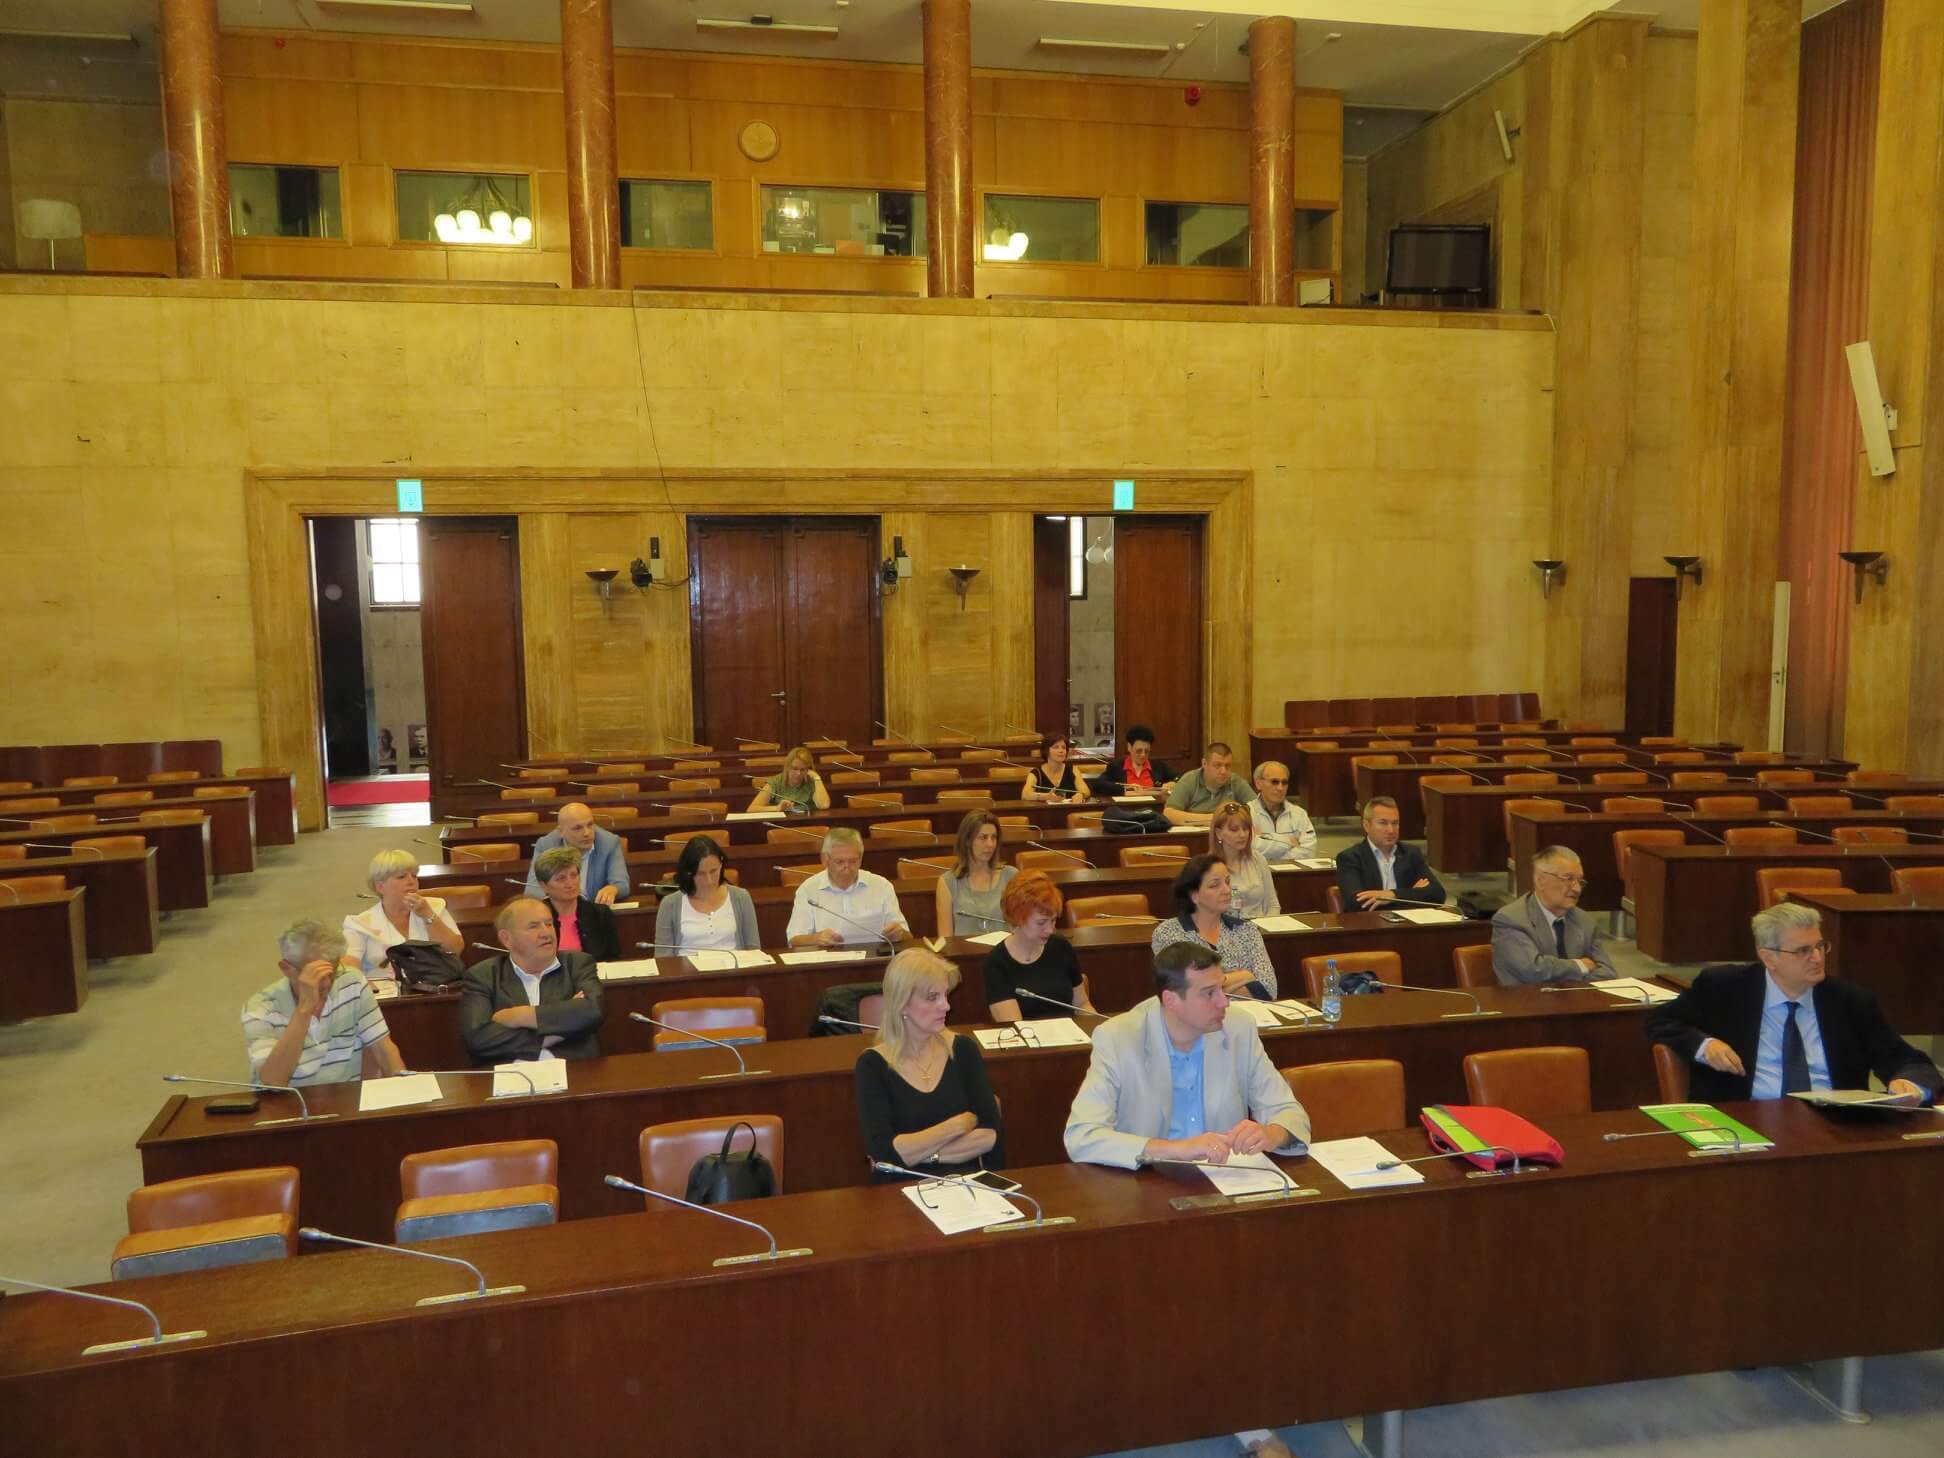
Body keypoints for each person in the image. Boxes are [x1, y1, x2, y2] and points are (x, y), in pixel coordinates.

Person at [1647, 902, 1940, 1104]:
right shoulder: (1724, 988)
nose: (1817, 958)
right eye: (1803, 950)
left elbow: (1909, 1061)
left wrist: (1910, 1084)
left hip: (1833, 1127)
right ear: (1768, 957)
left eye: (1820, 946)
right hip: (1747, 1120)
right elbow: (1659, 1021)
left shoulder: (1849, 1001)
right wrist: (1705, 1045)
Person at [1064, 942, 1311, 1168]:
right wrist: (1176, 1150)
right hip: (1148, 1179)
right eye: (1209, 993)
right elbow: (1082, 1136)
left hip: (1224, 1176)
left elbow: (1288, 1111)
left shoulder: (1238, 1027)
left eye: (1222, 988)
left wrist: (1272, 1133)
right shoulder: (1118, 1038)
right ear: (1171, 1000)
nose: (1224, 1002)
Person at [854, 947, 1004, 1181]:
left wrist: (922, 1154)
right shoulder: (872, 1065)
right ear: (902, 1003)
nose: (946, 1006)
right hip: (900, 1191)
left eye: (945, 995)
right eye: (933, 997)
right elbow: (883, 1153)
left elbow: (990, 1135)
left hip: (966, 1184)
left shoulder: (963, 1049)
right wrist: (956, 1126)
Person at [244, 920, 405, 1087]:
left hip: (346, 1098)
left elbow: (384, 1051)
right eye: (314, 975)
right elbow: (273, 1082)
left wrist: (403, 1090)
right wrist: (304, 1009)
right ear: (286, 968)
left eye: (333, 971)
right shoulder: (261, 1008)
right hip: (288, 1100)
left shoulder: (352, 982)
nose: (327, 983)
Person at [460, 896, 606, 1064]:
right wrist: (553, 1034)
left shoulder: (577, 964)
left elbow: (593, 1010)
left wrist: (520, 1016)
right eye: (533, 926)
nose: (546, 933)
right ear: (507, 939)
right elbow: (478, 1038)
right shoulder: (483, 975)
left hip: (574, 1069)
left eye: (549, 924)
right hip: (510, 1073)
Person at [1150, 853, 1277, 999]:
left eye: (1227, 882)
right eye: (1214, 885)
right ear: (1194, 895)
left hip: (1251, 1012)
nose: (1227, 890)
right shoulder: (1168, 933)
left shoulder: (1247, 930)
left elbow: (1269, 989)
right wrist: (1245, 975)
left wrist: (1212, 987)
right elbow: (1185, 992)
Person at [1491, 846, 1614, 985]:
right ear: (1541, 880)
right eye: (1568, 879)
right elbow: (1533, 971)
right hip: (1526, 998)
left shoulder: (1584, 920)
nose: (1577, 889)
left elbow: (1607, 974)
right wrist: (1580, 965)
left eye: (1580, 881)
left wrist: (1565, 982)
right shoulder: (1511, 919)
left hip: (1575, 998)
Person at [339, 848, 463, 982]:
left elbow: (455, 950)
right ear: (380, 887)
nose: (411, 881)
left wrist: (427, 915)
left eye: (414, 876)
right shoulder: (359, 924)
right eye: (401, 877)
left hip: (435, 988)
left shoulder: (434, 907)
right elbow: (349, 966)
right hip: (384, 992)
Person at [984, 871, 1093, 1023]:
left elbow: (1082, 1005)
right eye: (1041, 922)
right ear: (1018, 918)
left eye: (1053, 920)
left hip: (1071, 1035)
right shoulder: (997, 963)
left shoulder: (1061, 947)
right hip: (1029, 1037)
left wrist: (1097, 1029)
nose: (1050, 930)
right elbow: (1015, 1026)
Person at [786, 826, 910, 948]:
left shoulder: (882, 886)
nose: (847, 867)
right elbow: (794, 939)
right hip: (830, 958)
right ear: (824, 859)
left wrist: (898, 934)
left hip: (876, 957)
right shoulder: (808, 889)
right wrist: (815, 938)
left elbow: (907, 935)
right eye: (839, 862)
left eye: (853, 861)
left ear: (861, 858)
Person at [653, 834, 761, 953]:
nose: (709, 880)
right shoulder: (670, 904)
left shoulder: (741, 897)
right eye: (701, 874)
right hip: (687, 965)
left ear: (721, 864)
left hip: (733, 964)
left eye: (713, 871)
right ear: (689, 872)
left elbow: (754, 951)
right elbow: (663, 957)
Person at [1335, 796, 1445, 911]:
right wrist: (1412, 894)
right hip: (1370, 921)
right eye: (1383, 823)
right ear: (1366, 826)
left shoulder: (1411, 854)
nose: (1391, 830)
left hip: (1406, 921)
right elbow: (1356, 903)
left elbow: (1438, 895)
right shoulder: (1350, 858)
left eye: (1395, 823)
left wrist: (1392, 895)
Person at [523, 801, 629, 903]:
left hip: (594, 908)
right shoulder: (546, 845)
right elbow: (532, 889)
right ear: (561, 832)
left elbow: (622, 884)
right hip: (560, 908)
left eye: (590, 825)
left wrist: (613, 889)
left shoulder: (609, 842)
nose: (587, 833)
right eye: (578, 828)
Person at [933, 809, 1017, 937]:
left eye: (994, 838)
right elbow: (946, 940)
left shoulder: (1011, 876)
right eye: (983, 838)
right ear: (967, 840)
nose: (990, 844)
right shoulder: (948, 882)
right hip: (964, 950)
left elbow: (1023, 929)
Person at [533, 845, 622, 962]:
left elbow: (614, 958)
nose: (570, 883)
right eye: (561, 878)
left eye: (574, 875)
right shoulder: (534, 918)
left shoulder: (600, 913)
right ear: (543, 885)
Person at [1210, 801, 1280, 921]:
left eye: (1245, 828)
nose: (1242, 834)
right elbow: (1207, 914)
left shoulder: (1258, 859)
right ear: (1219, 833)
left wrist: (1268, 926)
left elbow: (1273, 905)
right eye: (1234, 830)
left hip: (1261, 927)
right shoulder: (1208, 867)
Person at [1163, 742, 1251, 826]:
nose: (1223, 771)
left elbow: (1256, 811)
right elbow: (1169, 814)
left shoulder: (1236, 782)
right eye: (1217, 765)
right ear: (1204, 763)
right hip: (1194, 835)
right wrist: (1215, 818)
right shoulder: (1189, 780)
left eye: (1227, 766)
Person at [1248, 762, 1316, 860]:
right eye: (1274, 782)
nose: (1280, 788)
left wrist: (1265, 840)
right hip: (1258, 870)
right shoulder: (1247, 813)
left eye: (1284, 782)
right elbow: (1249, 848)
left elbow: (1308, 851)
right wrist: (1289, 841)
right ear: (1258, 784)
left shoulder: (1299, 814)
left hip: (1292, 869)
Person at [1091, 723, 1178, 796]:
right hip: (1126, 809)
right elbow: (1099, 784)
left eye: (1147, 751)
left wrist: (1173, 783)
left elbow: (1180, 777)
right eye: (1139, 751)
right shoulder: (1116, 767)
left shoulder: (1159, 766)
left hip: (1154, 807)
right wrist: (1124, 789)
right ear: (1129, 747)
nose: (1143, 755)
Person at [746, 745, 831, 814]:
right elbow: (752, 809)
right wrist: (777, 808)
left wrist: (816, 777)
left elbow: (824, 805)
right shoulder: (775, 782)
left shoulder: (812, 781)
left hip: (808, 824)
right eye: (794, 768)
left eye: (803, 769)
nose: (798, 773)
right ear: (787, 767)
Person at [1021, 735, 1093, 802]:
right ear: (1046, 750)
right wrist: (1046, 796)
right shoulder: (1036, 773)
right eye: (1056, 747)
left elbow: (1086, 791)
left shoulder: (1072, 769)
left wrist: (1081, 794)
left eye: (1063, 748)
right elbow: (1025, 795)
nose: (1061, 751)